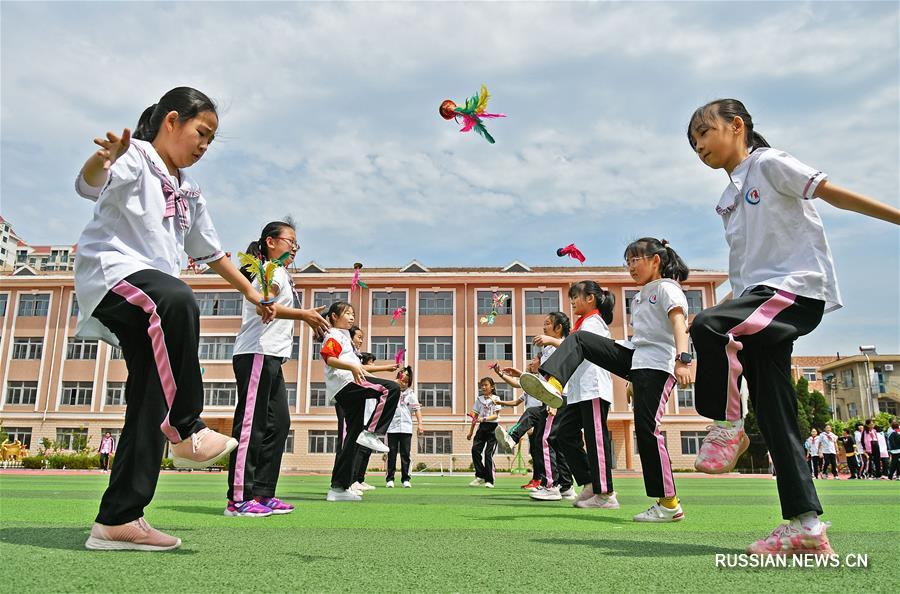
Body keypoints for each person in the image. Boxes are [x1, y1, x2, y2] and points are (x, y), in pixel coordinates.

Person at [685, 98, 899, 555]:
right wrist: (728, 309)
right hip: (760, 302)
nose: (698, 146)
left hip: (795, 291)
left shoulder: (768, 164)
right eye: (693, 142)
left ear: (735, 125)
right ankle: (806, 527)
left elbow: (829, 191)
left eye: (703, 133)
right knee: (777, 413)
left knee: (707, 326)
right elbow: (745, 273)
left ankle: (726, 426)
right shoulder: (729, 199)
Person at [75, 87, 276, 551]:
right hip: (112, 275)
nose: (204, 146)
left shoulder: (189, 189)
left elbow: (210, 251)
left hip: (152, 297)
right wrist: (104, 159)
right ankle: (187, 429)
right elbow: (89, 184)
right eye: (200, 133)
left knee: (148, 401)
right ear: (171, 121)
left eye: (211, 139)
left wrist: (252, 291)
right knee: (178, 299)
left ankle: (118, 519)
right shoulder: (137, 156)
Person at [521, 247, 691, 521]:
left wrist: (683, 358)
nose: (630, 267)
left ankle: (668, 503)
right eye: (627, 262)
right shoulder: (640, 296)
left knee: (648, 432)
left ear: (655, 260)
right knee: (579, 341)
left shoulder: (667, 289)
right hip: (637, 360)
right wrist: (632, 376)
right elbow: (642, 338)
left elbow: (679, 321)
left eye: (635, 260)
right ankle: (553, 382)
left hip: (657, 364)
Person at [225, 220, 329, 517]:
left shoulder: (281, 273)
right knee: (251, 426)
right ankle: (238, 499)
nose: (294, 248)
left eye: (297, 244)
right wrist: (304, 315)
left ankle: (263, 493)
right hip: (256, 353)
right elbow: (264, 305)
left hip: (273, 357)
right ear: (271, 242)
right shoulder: (268, 270)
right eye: (289, 241)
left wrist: (308, 320)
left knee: (279, 424)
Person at [518, 281, 620, 511]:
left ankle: (606, 494)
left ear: (590, 298)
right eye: (571, 297)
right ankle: (589, 483)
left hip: (592, 389)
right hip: (576, 392)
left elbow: (581, 348)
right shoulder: (581, 324)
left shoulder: (594, 323)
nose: (572, 301)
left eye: (576, 297)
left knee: (596, 440)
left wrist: (553, 343)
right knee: (562, 434)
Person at [321, 302, 400, 501]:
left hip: (350, 382)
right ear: (333, 316)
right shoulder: (333, 335)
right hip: (345, 383)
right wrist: (351, 367)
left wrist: (385, 368)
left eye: (353, 313)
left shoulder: (346, 339)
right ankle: (373, 432)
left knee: (352, 438)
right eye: (347, 313)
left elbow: (360, 368)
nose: (351, 317)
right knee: (391, 389)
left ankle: (338, 488)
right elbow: (329, 359)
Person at [493, 312, 574, 497]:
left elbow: (569, 350)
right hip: (553, 398)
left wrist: (554, 399)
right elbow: (541, 379)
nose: (543, 327)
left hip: (559, 398)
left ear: (558, 328)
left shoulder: (559, 346)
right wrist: (519, 374)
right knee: (554, 441)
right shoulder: (548, 350)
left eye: (547, 324)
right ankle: (567, 486)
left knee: (543, 437)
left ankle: (551, 486)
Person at [385, 366, 423, 488]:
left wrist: (420, 424)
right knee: (391, 453)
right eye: (402, 380)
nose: (404, 383)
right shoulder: (390, 391)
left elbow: (417, 409)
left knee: (405, 454)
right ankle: (390, 479)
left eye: (406, 381)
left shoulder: (411, 394)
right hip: (392, 428)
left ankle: (406, 479)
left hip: (406, 428)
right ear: (397, 379)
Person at [467, 377, 502, 488]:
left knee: (488, 454)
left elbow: (496, 415)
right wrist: (470, 432)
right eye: (482, 385)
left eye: (486, 385)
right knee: (475, 450)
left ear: (492, 387)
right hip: (482, 428)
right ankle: (480, 476)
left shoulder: (496, 398)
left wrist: (485, 419)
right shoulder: (479, 399)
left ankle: (489, 480)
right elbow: (475, 417)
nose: (483, 387)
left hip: (493, 428)